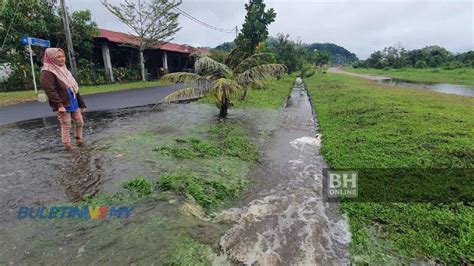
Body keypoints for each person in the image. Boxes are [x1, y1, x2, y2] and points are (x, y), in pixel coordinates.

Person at [40, 48, 86, 151]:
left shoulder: (64, 70)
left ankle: (79, 140)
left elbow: (74, 87)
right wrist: (59, 105)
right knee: (66, 124)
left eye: (63, 56)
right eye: (58, 57)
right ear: (51, 58)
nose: (62, 59)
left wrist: (81, 103)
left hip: (72, 101)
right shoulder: (47, 71)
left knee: (79, 121)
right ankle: (68, 146)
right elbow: (50, 90)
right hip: (62, 104)